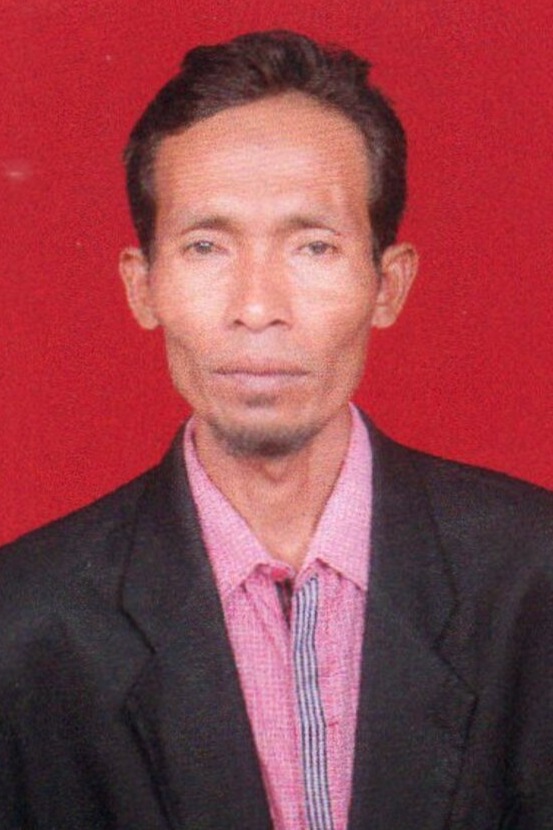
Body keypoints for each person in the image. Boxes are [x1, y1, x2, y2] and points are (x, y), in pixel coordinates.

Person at [1, 29, 552, 830]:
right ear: (142, 286)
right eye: (205, 246)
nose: (257, 307)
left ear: (387, 284)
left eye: (313, 247)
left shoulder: (535, 581)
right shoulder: (23, 624)